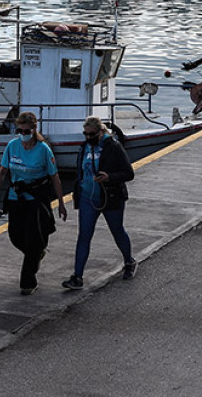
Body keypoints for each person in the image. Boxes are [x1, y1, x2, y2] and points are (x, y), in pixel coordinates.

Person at [0, 112, 67, 296]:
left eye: (26, 130)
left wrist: (61, 203)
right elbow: (2, 172)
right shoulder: (12, 146)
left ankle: (28, 281)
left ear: (33, 130)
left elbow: (54, 177)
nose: (23, 133)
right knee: (15, 236)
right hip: (16, 197)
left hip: (36, 198)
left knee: (33, 239)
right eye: (19, 130)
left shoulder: (43, 150)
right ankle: (37, 254)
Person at [62, 117, 137, 290]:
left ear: (101, 131)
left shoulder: (113, 147)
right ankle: (77, 276)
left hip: (110, 197)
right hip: (88, 197)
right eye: (85, 134)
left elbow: (128, 173)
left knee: (117, 231)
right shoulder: (84, 147)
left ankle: (129, 261)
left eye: (92, 134)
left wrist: (109, 177)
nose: (88, 137)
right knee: (84, 236)